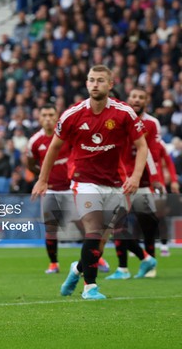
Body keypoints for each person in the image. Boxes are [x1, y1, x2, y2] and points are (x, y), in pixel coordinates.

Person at [32, 65, 149, 300]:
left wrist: (135, 177)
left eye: (100, 80)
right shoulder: (72, 114)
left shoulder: (123, 112)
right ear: (86, 84)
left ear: (110, 84)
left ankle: (76, 270)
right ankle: (89, 288)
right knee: (93, 231)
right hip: (84, 182)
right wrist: (42, 179)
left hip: (115, 184)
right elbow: (54, 147)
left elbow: (142, 146)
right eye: (91, 80)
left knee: (99, 242)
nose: (95, 84)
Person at [26, 104, 110, 274]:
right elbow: (30, 164)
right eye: (44, 115)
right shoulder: (35, 141)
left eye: (51, 114)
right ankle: (53, 264)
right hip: (51, 190)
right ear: (39, 117)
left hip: (72, 188)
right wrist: (44, 177)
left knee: (84, 224)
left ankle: (96, 257)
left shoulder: (67, 136)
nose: (48, 118)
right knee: (51, 228)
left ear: (57, 116)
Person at [106, 87, 160, 279]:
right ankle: (123, 268)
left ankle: (150, 263)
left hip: (142, 182)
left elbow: (152, 153)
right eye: (134, 97)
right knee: (116, 225)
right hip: (120, 180)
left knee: (148, 226)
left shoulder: (151, 123)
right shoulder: (116, 121)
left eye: (141, 97)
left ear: (146, 101)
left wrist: (156, 179)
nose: (136, 100)